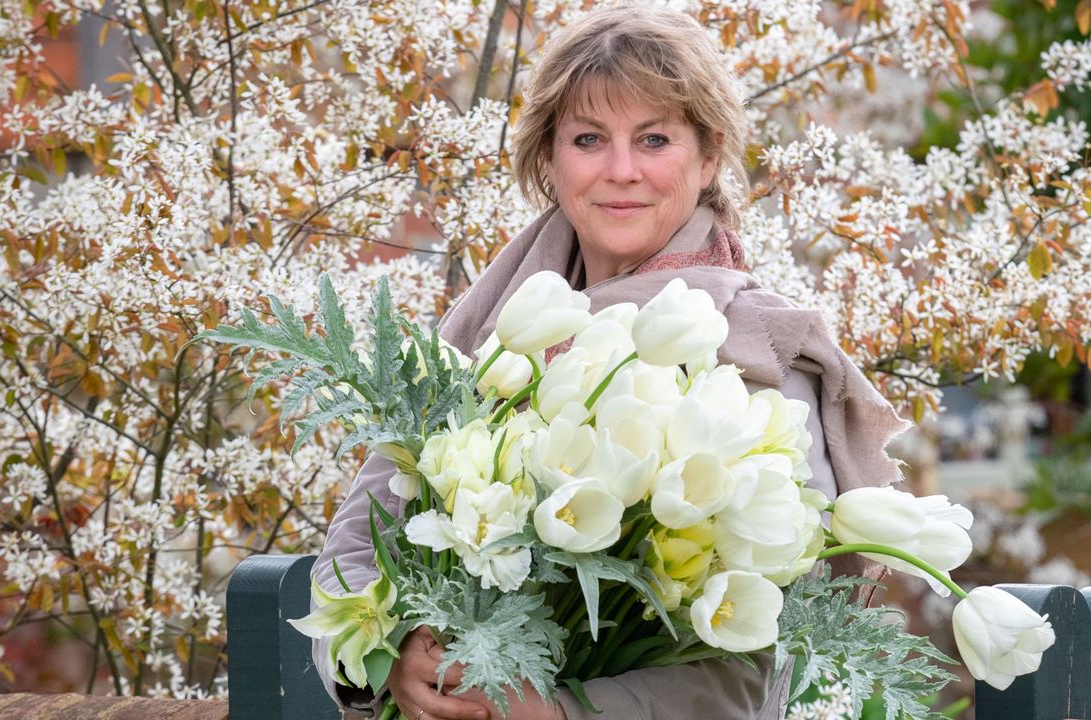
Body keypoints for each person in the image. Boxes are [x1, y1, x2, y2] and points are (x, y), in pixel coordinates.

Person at [311, 5, 908, 719]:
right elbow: (357, 540)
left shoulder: (759, 353)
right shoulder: (495, 322)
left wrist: (561, 713)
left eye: (654, 139)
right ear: (550, 156)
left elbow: (764, 656)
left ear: (709, 154)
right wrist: (389, 656)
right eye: (589, 139)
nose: (621, 171)